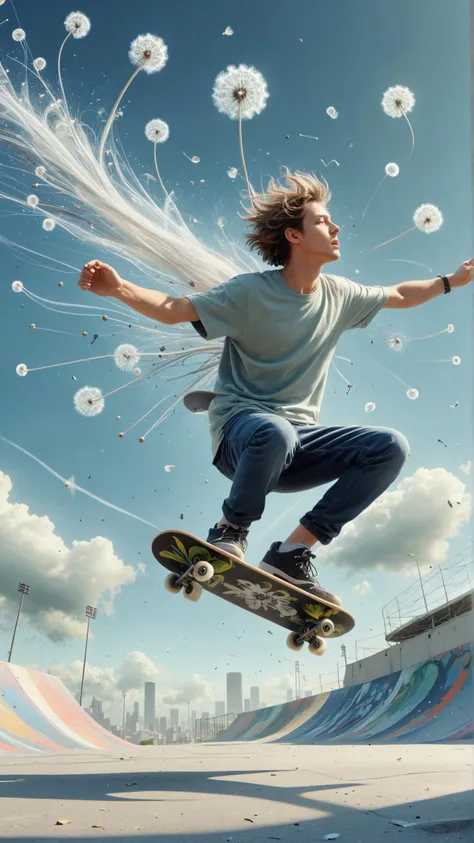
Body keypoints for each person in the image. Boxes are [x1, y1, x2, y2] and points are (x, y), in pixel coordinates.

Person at [78, 169, 473, 606]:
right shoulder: (248, 294)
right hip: (243, 437)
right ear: (294, 236)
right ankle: (231, 530)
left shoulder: (340, 294)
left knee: (390, 446)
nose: (335, 227)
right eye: (323, 221)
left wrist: (450, 282)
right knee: (275, 431)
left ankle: (293, 551)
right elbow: (175, 309)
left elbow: (399, 293)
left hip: (299, 447)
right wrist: (118, 289)